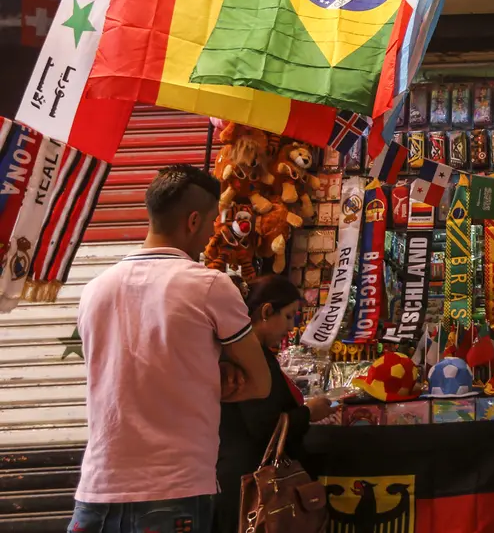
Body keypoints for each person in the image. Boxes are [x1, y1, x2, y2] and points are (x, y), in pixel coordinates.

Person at [70, 165, 271, 533]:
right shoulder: (209, 286)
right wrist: (205, 377)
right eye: (212, 223)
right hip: (174, 489)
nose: (212, 233)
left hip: (96, 492)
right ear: (194, 221)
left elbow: (119, 372)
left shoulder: (95, 289)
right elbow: (260, 383)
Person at [215, 275, 337, 533]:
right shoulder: (247, 359)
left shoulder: (249, 354)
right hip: (249, 484)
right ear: (267, 311)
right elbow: (262, 424)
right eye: (289, 316)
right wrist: (308, 413)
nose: (291, 327)